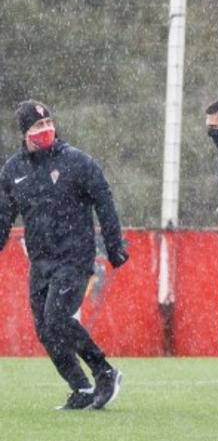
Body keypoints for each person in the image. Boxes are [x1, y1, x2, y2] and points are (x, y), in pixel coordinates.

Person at [0, 100, 127, 409]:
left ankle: (104, 371)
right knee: (44, 329)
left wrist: (114, 245)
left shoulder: (78, 162)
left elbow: (104, 202)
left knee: (57, 318)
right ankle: (81, 389)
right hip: (41, 262)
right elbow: (3, 215)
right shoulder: (12, 170)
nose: (46, 130)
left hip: (75, 257)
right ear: (25, 133)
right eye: (37, 127)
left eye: (48, 124)